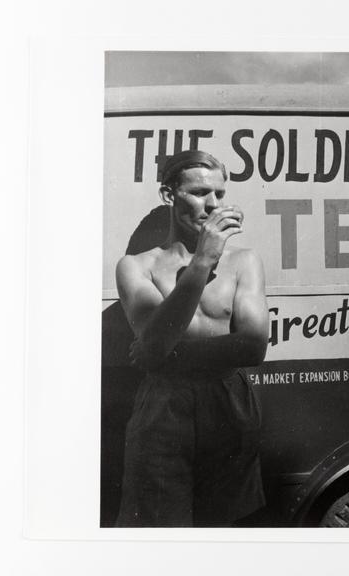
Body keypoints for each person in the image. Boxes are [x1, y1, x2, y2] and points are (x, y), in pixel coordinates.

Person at [114, 150, 269, 527]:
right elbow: (153, 348)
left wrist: (165, 352)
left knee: (224, 531)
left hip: (227, 401)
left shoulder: (243, 261)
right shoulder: (136, 266)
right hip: (164, 408)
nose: (213, 205)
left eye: (219, 193)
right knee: (160, 530)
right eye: (200, 192)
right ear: (169, 195)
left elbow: (253, 345)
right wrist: (201, 263)